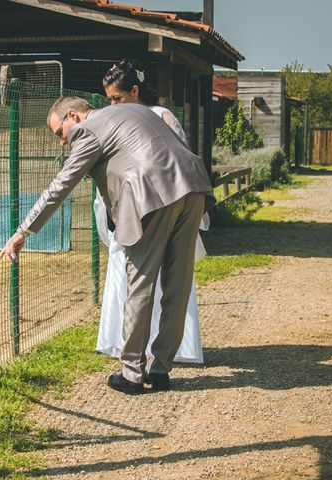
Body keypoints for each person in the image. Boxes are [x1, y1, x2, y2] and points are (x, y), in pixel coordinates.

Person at [0, 96, 214, 394]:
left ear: (72, 116)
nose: (62, 142)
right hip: (192, 186)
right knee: (178, 285)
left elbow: (62, 184)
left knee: (140, 284)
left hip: (153, 196)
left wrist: (23, 230)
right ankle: (161, 370)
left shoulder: (88, 130)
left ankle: (132, 374)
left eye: (59, 133)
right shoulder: (134, 109)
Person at [95, 59, 207, 365]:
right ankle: (130, 346)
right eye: (109, 101)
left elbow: (178, 160)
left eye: (117, 98)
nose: (113, 105)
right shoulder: (115, 121)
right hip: (130, 211)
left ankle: (161, 352)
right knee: (133, 283)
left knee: (165, 280)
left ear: (134, 90)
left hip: (162, 208)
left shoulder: (161, 116)